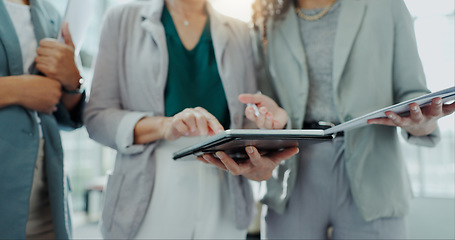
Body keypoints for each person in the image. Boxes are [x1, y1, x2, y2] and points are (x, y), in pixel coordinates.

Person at [203, 0, 455, 239]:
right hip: (293, 177)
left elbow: (412, 91)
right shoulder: (267, 20)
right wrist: (272, 118)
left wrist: (423, 122)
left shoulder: (385, 6)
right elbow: (265, 105)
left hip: (375, 177)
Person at [83, 0, 298, 239]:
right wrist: (165, 126)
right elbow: (97, 118)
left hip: (224, 190)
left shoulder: (240, 32)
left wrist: (264, 138)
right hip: (147, 190)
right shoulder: (121, 20)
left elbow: (245, 121)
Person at [0, 0, 86, 239]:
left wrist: (73, 81)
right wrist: (16, 90)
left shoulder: (50, 13)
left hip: (47, 190)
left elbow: (63, 113)